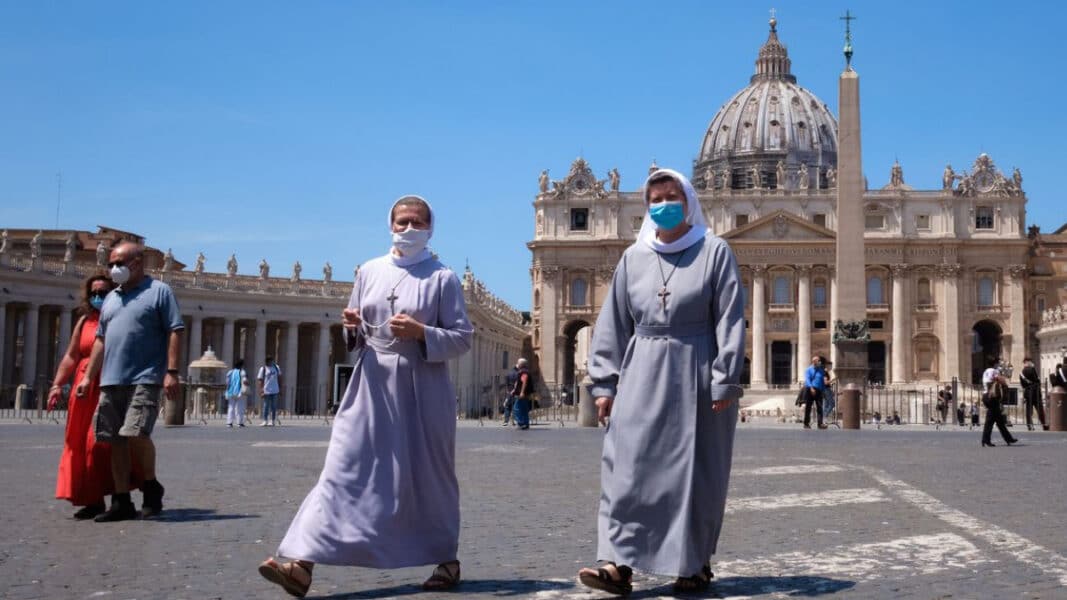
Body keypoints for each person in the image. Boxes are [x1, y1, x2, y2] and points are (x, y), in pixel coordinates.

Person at [258, 195, 472, 597]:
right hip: (371, 382)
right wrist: (351, 326)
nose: (409, 228)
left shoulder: (442, 277)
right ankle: (303, 563)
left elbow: (462, 339)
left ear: (431, 227)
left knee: (428, 473)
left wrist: (423, 333)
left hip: (422, 385)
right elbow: (355, 334)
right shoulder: (369, 270)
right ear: (390, 224)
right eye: (402, 221)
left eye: (418, 222)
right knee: (343, 467)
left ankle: (447, 559)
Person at [578, 169, 745, 595]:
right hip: (642, 369)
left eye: (672, 196)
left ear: (688, 201)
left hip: (698, 370)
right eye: (655, 199)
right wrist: (604, 384)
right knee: (626, 469)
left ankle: (693, 562)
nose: (663, 204)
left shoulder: (714, 251)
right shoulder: (633, 258)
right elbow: (612, 324)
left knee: (695, 472)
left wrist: (726, 379)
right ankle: (617, 563)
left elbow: (729, 317)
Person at [77, 242, 183, 521]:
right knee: (113, 440)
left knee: (136, 433)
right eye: (111, 264)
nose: (113, 269)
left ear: (137, 262)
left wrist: (171, 371)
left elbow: (174, 330)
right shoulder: (111, 298)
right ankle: (121, 500)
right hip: (111, 378)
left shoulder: (160, 291)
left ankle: (150, 485)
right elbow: (100, 339)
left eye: (118, 263)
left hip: (145, 377)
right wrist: (89, 376)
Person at [48, 273, 139, 520]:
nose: (98, 297)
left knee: (99, 442)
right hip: (83, 385)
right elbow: (70, 356)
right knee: (77, 442)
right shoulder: (84, 321)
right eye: (94, 293)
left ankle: (118, 496)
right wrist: (57, 385)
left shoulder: (121, 317)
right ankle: (92, 499)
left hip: (108, 380)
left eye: (103, 292)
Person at [982, 371, 1019, 447]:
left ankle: (986, 440)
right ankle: (987, 440)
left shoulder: (992, 384)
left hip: (993, 406)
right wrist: (1005, 385)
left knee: (996, 424)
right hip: (994, 406)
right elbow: (1001, 396)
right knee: (994, 424)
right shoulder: (997, 385)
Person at [1019, 357, 1047, 431]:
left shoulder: (1021, 373)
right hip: (1036, 392)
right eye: (1030, 361)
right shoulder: (1032, 369)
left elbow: (1022, 384)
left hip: (1028, 393)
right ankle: (1044, 424)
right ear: (1027, 362)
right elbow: (1037, 380)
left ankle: (1030, 425)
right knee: (1040, 409)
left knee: (1029, 410)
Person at [802, 356, 827, 430]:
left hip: (819, 390)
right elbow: (808, 380)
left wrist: (823, 390)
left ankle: (820, 423)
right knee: (808, 407)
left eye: (820, 361)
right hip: (810, 389)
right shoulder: (808, 370)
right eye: (818, 361)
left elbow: (822, 381)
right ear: (814, 361)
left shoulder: (821, 370)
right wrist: (811, 388)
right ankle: (806, 423)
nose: (820, 362)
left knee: (820, 407)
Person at [257, 356, 282, 426]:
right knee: (266, 406)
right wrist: (261, 390)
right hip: (266, 390)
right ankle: (265, 420)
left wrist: (280, 388)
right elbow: (260, 380)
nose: (270, 362)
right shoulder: (263, 369)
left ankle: (273, 420)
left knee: (274, 406)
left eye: (271, 360)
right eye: (268, 361)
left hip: (275, 389)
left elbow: (280, 378)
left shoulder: (276, 368)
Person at [225, 359, 250, 428]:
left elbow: (227, 383)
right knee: (239, 408)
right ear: (241, 365)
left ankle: (229, 422)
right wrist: (248, 384)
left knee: (231, 407)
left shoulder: (230, 372)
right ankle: (239, 422)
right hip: (240, 392)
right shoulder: (242, 372)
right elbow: (245, 381)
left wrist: (227, 391)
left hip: (231, 392)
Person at [510, 358, 532, 430]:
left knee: (517, 408)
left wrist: (522, 392)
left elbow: (524, 381)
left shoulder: (523, 372)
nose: (517, 364)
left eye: (518, 363)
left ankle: (521, 423)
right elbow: (519, 382)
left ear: (521, 364)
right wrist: (514, 390)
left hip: (522, 394)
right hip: (526, 393)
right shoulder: (526, 371)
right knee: (524, 409)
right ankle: (526, 423)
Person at [821, 359, 836, 425]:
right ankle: (824, 416)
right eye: (830, 366)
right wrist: (833, 380)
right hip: (826, 389)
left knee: (825, 405)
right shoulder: (825, 373)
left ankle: (824, 420)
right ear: (827, 366)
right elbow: (825, 382)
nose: (831, 367)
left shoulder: (824, 372)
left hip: (824, 389)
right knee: (832, 404)